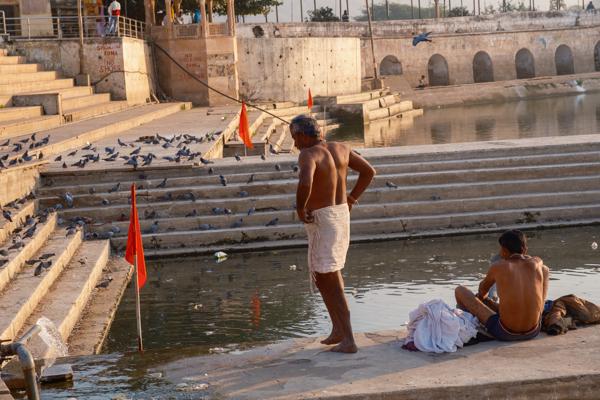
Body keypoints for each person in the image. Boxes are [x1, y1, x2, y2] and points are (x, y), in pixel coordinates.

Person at [291, 115, 376, 353]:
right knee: (322, 275)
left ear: (303, 135)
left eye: (295, 139)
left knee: (331, 276)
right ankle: (338, 329)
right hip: (339, 214)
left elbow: (305, 182)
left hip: (324, 219)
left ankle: (348, 339)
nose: (295, 145)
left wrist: (299, 208)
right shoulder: (342, 148)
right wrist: (351, 198)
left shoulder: (308, 154)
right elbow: (369, 172)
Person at [455, 230, 549, 341]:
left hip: (505, 332)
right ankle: (539, 311)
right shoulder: (538, 262)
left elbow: (482, 292)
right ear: (524, 249)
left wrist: (484, 300)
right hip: (534, 331)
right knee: (545, 270)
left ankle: (467, 324)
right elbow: (533, 264)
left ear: (504, 250)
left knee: (460, 290)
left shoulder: (498, 267)